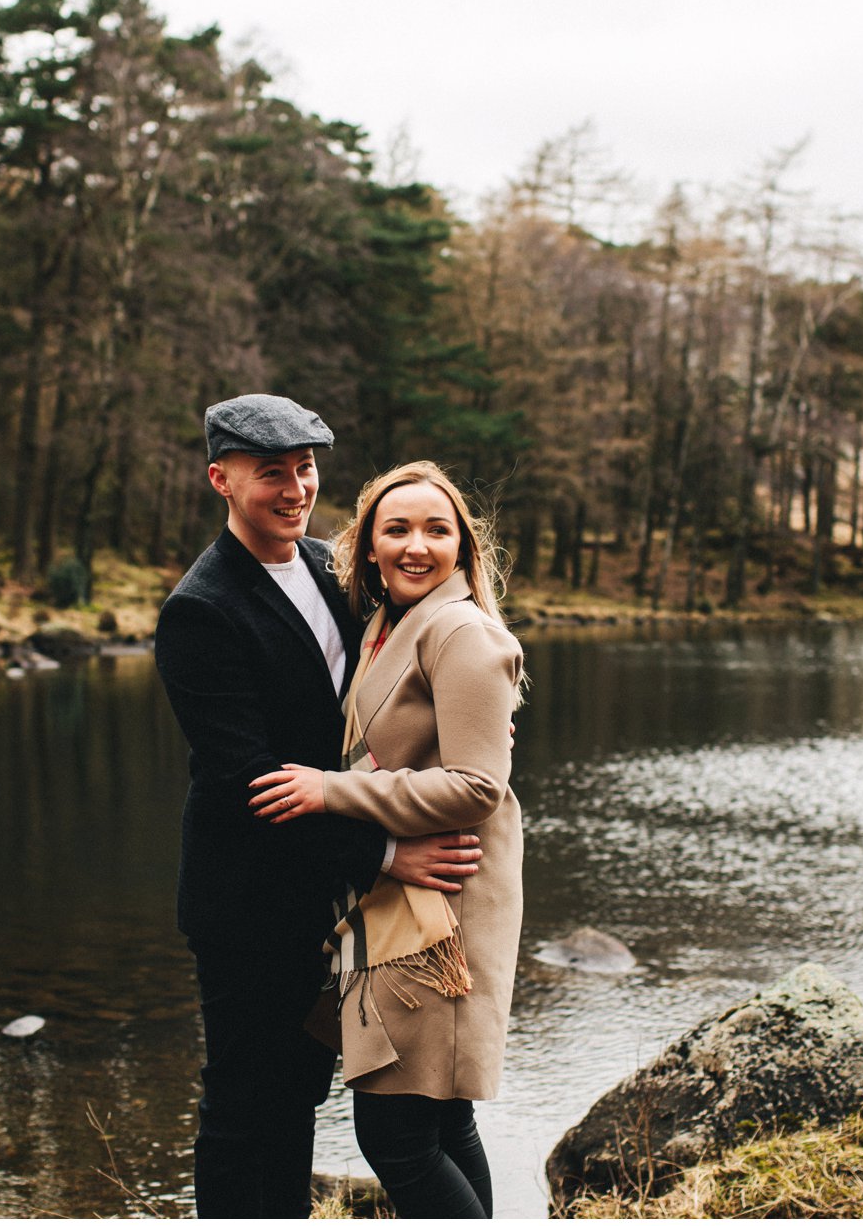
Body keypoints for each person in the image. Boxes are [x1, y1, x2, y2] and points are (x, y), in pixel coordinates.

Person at [154, 397, 486, 1219]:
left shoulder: (329, 566)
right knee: (245, 1106)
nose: (295, 487)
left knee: (307, 1092)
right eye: (272, 472)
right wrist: (384, 856)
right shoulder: (201, 609)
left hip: (333, 897)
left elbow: (411, 673)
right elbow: (250, 791)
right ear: (220, 480)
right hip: (251, 901)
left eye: (305, 468)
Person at [248, 460, 525, 1219]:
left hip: (443, 902)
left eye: (437, 529)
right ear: (367, 545)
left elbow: (478, 787)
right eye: (395, 528)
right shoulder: (382, 622)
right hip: (399, 894)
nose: (416, 545)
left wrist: (329, 789)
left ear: (463, 545)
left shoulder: (462, 631)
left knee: (397, 1134)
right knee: (440, 1117)